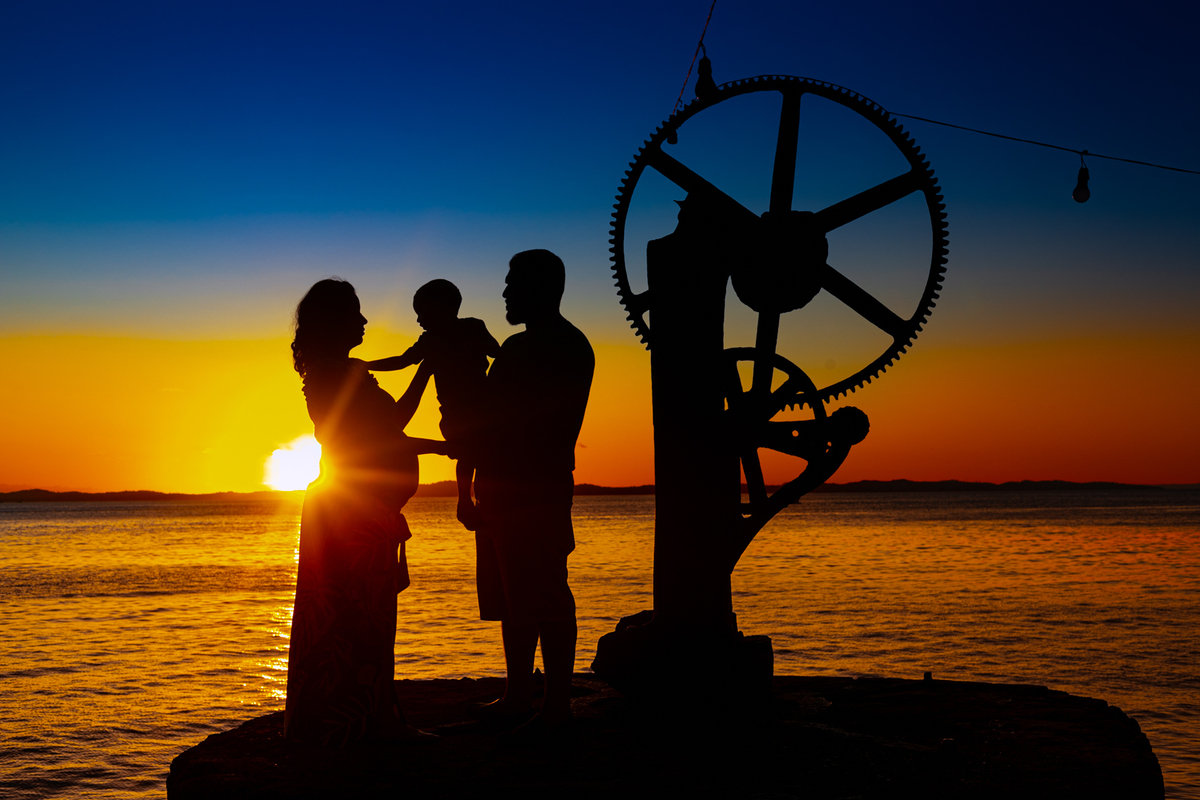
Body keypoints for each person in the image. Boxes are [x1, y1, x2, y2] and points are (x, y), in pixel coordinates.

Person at [284, 278, 448, 748]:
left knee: (349, 620)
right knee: (361, 619)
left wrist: (421, 364)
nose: (364, 321)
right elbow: (389, 428)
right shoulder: (337, 375)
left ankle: (360, 722)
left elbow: (381, 425)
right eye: (355, 313)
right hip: (353, 516)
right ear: (335, 321)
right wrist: (443, 438)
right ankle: (368, 727)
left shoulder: (335, 371)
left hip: (349, 511)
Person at [472, 250, 594, 736]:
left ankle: (556, 704)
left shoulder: (560, 345)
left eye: (513, 284)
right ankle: (519, 693)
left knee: (544, 594)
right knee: (512, 597)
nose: (504, 293)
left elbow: (515, 415)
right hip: (503, 490)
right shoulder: (523, 347)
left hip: (535, 489)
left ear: (542, 290)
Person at [362, 279, 500, 530]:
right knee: (466, 450)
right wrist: (366, 365)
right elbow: (403, 360)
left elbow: (496, 351)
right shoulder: (430, 340)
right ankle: (464, 501)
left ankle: (474, 500)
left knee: (480, 452)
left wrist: (472, 345)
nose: (418, 321)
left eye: (422, 314)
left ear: (443, 308)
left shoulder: (473, 327)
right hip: (454, 411)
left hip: (484, 406)